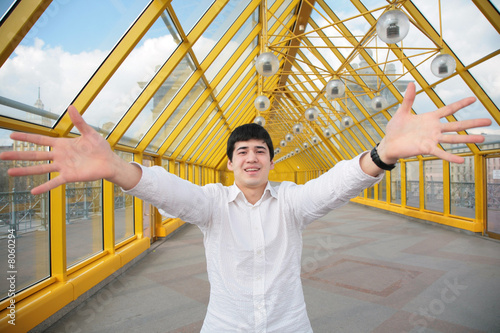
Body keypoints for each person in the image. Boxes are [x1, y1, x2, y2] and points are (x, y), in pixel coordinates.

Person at [0, 82, 492, 332]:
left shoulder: (293, 203)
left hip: (289, 324)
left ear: (272, 162)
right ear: (231, 164)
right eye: (243, 152)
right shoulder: (212, 204)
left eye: (261, 150)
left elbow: (335, 184)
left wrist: (382, 154)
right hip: (225, 325)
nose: (252, 157)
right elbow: (168, 189)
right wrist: (116, 169)